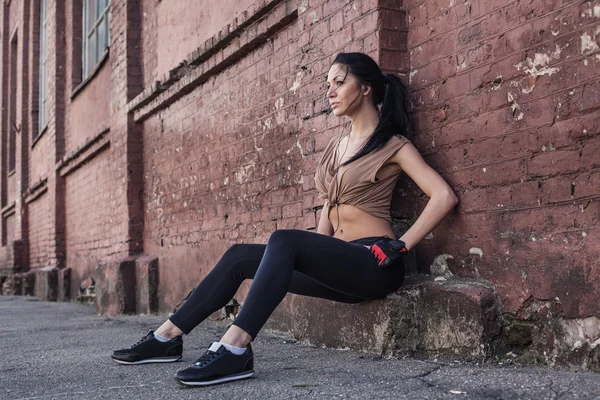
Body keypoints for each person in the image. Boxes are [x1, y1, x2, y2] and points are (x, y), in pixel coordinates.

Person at [111, 52, 459, 386]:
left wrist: (399, 246)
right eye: (328, 84)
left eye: (339, 82)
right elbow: (328, 206)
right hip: (339, 263)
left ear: (366, 88)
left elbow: (443, 196)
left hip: (372, 264)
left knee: (284, 239)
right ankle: (166, 337)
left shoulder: (392, 145)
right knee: (240, 256)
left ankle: (235, 347)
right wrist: (315, 248)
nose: (330, 91)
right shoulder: (335, 147)